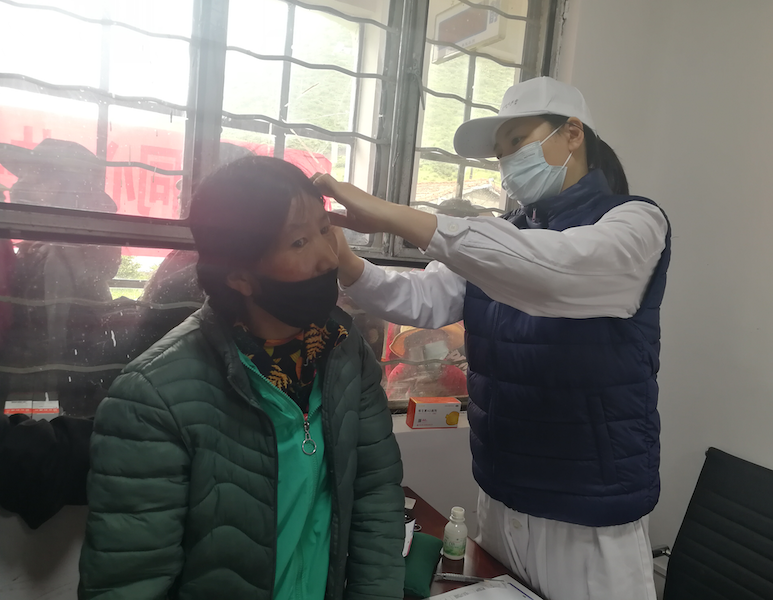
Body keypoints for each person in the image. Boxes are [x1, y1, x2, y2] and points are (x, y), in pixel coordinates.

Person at [314, 77, 670, 600]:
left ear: (573, 134)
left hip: (587, 511)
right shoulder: (507, 232)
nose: (506, 163)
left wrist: (396, 215)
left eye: (517, 142)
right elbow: (422, 299)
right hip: (502, 492)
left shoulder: (635, 223)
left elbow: (553, 273)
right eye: (500, 153)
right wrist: (347, 263)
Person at [78, 156, 405, 600]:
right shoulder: (153, 397)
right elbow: (129, 580)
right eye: (299, 241)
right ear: (240, 277)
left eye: (325, 229)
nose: (329, 258)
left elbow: (375, 496)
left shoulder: (344, 350)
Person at [0, 139, 121, 417]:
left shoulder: (59, 260)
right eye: (23, 173)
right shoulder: (39, 249)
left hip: (50, 390)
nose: (19, 184)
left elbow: (53, 347)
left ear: (66, 189)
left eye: (37, 175)